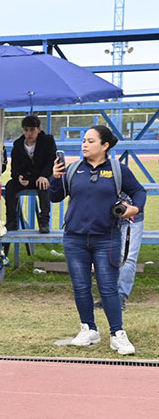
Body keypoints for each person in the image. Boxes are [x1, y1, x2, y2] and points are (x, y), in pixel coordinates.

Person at [49, 125, 146, 355]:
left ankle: (117, 334)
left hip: (107, 238)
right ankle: (88, 329)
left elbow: (140, 191)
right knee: (80, 287)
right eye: (84, 140)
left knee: (108, 288)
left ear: (105, 146)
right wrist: (55, 177)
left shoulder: (117, 170)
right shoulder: (73, 170)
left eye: (91, 141)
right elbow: (55, 197)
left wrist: (133, 208)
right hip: (74, 238)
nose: (84, 144)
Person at [5, 115, 56, 233]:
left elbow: (51, 161)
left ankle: (44, 222)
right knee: (10, 186)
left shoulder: (48, 140)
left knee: (43, 186)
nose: (29, 133)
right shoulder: (18, 144)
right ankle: (11, 222)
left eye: (32, 129)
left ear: (39, 129)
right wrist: (19, 177)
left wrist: (44, 175)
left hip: (42, 176)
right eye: (26, 130)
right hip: (26, 177)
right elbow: (15, 166)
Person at [95, 197, 144, 311]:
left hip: (131, 219)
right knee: (105, 256)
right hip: (106, 218)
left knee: (128, 257)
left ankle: (121, 296)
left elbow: (138, 191)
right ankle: (108, 295)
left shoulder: (127, 179)